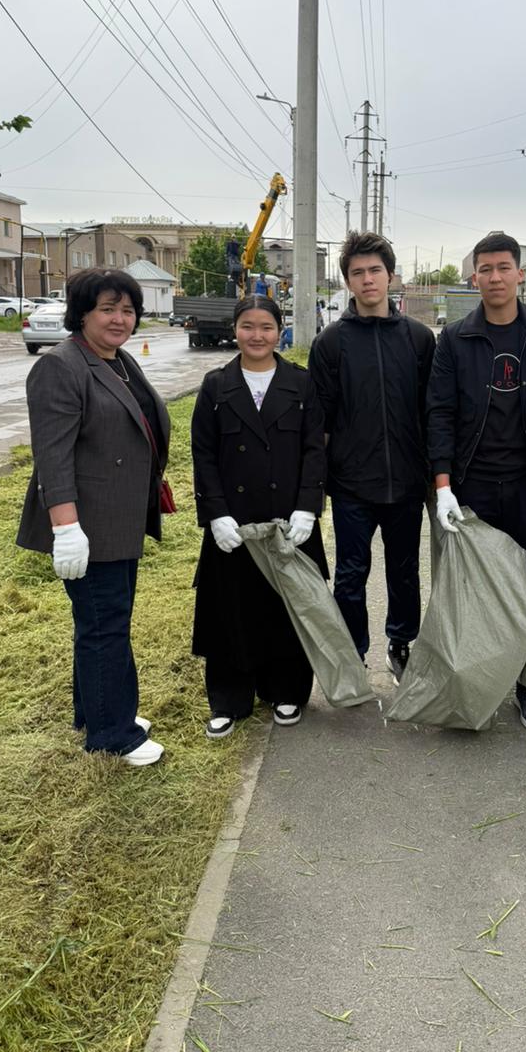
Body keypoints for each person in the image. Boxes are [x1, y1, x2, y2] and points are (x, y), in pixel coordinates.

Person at [17, 269, 171, 767]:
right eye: (108, 308)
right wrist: (66, 529)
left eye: (127, 310)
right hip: (87, 523)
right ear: (82, 312)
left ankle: (99, 712)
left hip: (120, 518)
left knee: (105, 622)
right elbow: (53, 456)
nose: (119, 319)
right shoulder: (61, 367)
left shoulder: (119, 360)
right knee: (104, 627)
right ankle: (112, 735)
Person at [426, 231, 526, 732]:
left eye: (503, 267)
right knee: (471, 585)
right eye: (485, 269)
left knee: (522, 580)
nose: (494, 277)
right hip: (472, 481)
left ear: (520, 273)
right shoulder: (456, 337)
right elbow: (440, 411)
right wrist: (443, 484)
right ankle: (473, 683)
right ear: (474, 277)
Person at [190, 295, 327, 736]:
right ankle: (229, 699)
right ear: (235, 330)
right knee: (230, 609)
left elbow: (314, 451)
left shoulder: (301, 385)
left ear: (280, 330)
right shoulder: (216, 385)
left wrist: (309, 507)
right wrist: (215, 514)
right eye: (248, 326)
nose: (257, 335)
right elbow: (204, 455)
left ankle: (286, 691)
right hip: (235, 522)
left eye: (266, 327)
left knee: (286, 607)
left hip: (287, 520)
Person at [308, 231, 435, 681]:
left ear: (391, 275)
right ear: (347, 281)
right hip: (350, 485)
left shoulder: (419, 340)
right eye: (357, 273)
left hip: (405, 482)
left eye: (375, 271)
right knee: (351, 575)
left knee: (404, 573)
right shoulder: (331, 343)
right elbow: (319, 422)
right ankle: (352, 652)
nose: (368, 280)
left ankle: (400, 644)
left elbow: (432, 413)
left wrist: (436, 476)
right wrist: (317, 488)